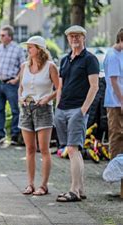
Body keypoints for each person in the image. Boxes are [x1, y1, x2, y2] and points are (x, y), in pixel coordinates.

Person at [55, 25, 99, 202]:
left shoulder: (90, 59)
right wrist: (57, 106)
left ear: (84, 38)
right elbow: (60, 86)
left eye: (78, 36)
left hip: (77, 110)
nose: (74, 38)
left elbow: (94, 86)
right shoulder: (65, 60)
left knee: (73, 149)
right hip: (62, 109)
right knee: (73, 150)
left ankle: (73, 190)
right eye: (71, 36)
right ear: (68, 39)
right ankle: (80, 188)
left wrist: (82, 111)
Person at [18, 36, 59, 196]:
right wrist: (20, 98)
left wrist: (48, 98)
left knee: (44, 149)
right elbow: (21, 87)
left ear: (39, 49)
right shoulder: (24, 66)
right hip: (27, 108)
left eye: (31, 47)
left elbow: (59, 88)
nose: (28, 49)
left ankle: (43, 185)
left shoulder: (50, 66)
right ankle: (30, 184)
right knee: (29, 148)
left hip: (43, 109)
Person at [0, 25, 26, 145]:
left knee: (15, 110)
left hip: (11, 84)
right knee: (0, 110)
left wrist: (16, 79)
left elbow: (23, 66)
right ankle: (0, 134)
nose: (0, 37)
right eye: (0, 35)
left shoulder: (18, 49)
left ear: (10, 36)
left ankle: (15, 135)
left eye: (3, 35)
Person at [103, 28, 123, 159]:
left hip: (119, 101)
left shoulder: (120, 52)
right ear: (121, 40)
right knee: (116, 134)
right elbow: (114, 81)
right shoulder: (112, 56)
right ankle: (115, 167)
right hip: (115, 102)